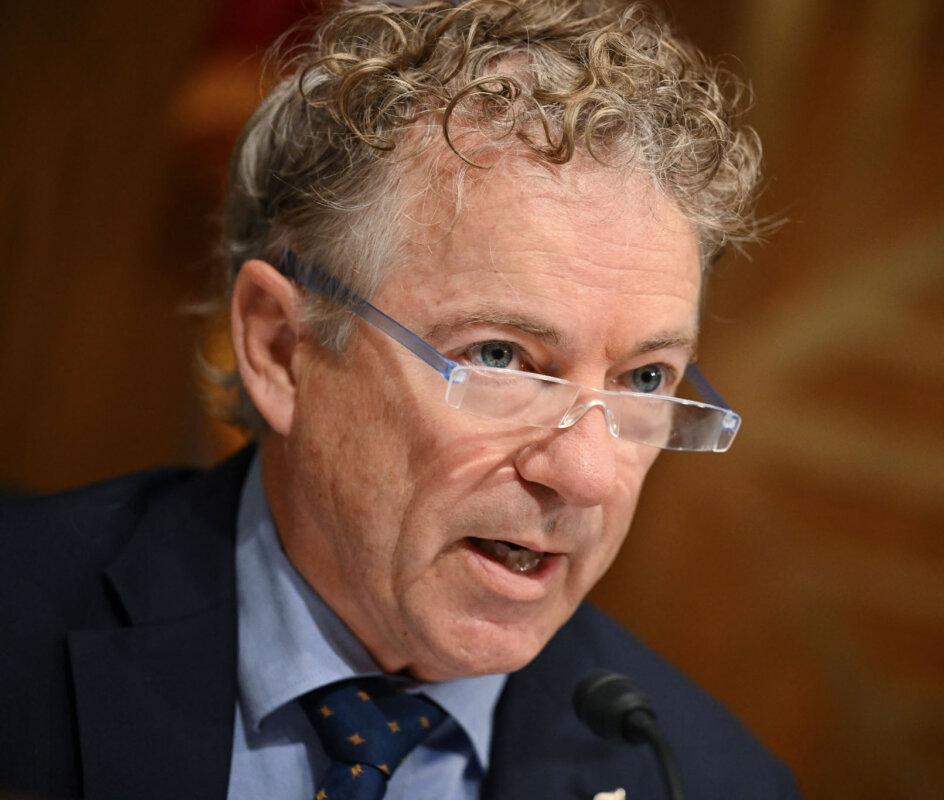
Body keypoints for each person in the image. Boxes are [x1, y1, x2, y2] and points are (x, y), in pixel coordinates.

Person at [0, 1, 799, 798]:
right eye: (500, 358)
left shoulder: (709, 780)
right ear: (282, 347)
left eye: (645, 379)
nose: (588, 475)